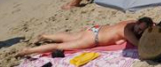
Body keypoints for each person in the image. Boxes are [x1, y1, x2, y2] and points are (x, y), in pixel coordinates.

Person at [17, 18, 153, 57]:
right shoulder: (127, 33)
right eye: (139, 29)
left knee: (69, 37)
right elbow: (139, 45)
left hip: (95, 29)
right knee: (60, 47)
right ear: (137, 23)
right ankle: (27, 51)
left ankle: (44, 36)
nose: (139, 32)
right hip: (92, 39)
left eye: (141, 31)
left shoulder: (130, 21)